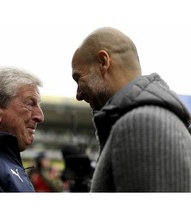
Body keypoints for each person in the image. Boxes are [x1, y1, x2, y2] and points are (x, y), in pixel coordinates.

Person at [71, 27, 191, 192]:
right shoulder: (144, 120)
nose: (78, 94)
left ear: (103, 62)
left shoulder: (142, 124)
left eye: (78, 78)